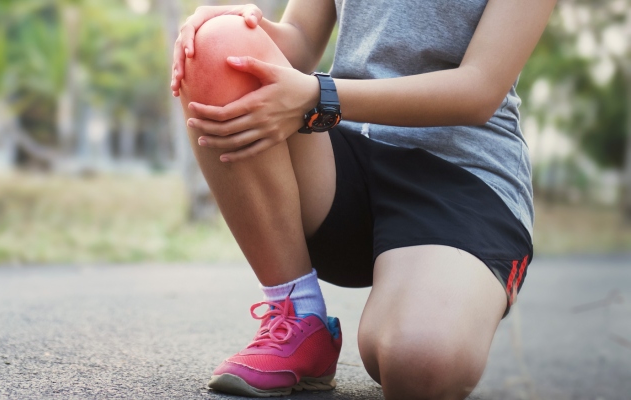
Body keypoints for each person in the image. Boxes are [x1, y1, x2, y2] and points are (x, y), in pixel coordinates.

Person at [170, 0, 555, 398]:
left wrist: (320, 95)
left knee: (419, 362)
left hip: (463, 174)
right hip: (339, 152)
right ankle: (298, 315)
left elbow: (479, 88)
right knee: (219, 44)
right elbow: (299, 40)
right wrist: (231, 26)